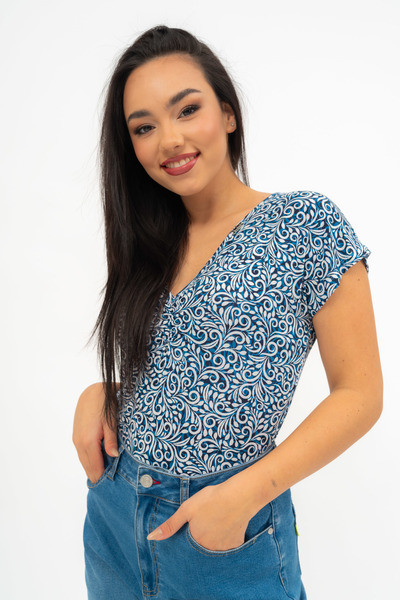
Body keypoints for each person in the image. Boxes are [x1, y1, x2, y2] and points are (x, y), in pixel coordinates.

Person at [72, 24, 383, 600]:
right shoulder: (150, 241)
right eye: (144, 127)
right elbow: (174, 368)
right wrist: (103, 392)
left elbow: (361, 394)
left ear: (228, 114)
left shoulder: (304, 224)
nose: (169, 140)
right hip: (115, 513)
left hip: (221, 531)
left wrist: (243, 496)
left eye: (187, 110)